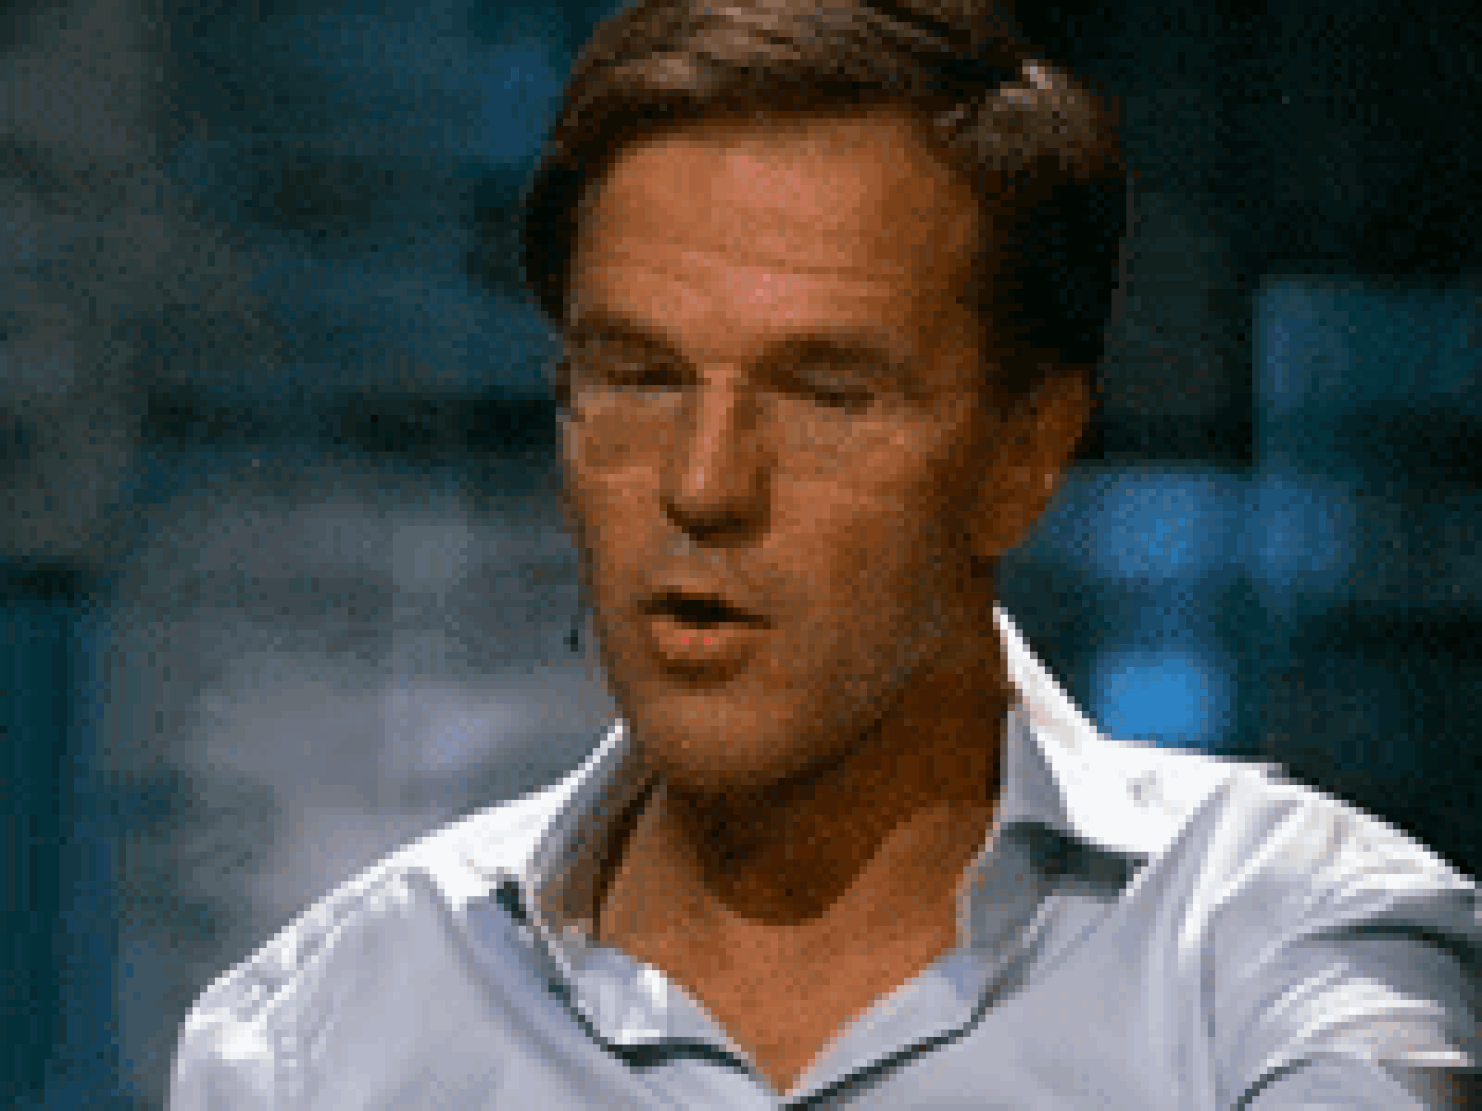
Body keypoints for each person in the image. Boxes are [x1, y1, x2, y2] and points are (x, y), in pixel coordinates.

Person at [168, 1, 1479, 1107]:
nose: (703, 485)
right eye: (638, 377)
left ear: (1023, 452)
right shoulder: (320, 1038)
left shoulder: (1276, 957)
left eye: (825, 394)